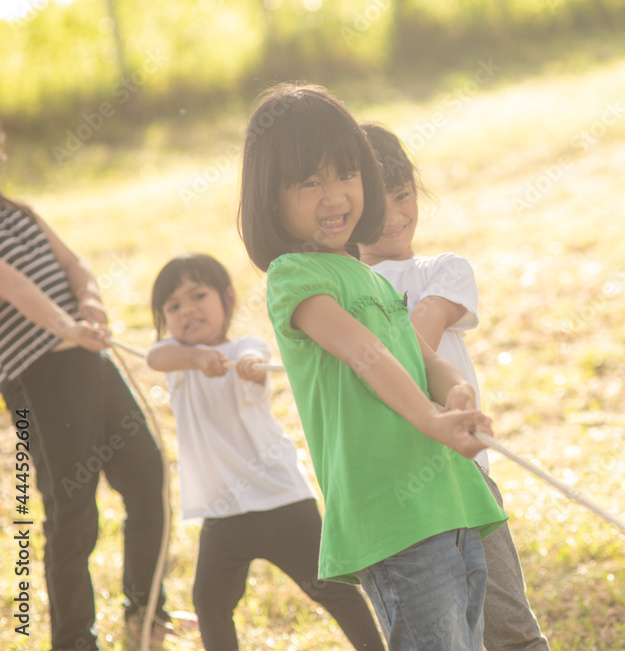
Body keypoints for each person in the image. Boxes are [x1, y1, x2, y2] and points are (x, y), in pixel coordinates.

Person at [237, 83, 508, 650]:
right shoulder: (296, 277)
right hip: (395, 520)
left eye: (345, 174)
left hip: (450, 502)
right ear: (270, 197)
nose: (334, 195)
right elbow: (366, 354)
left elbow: (421, 357)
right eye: (310, 181)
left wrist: (457, 393)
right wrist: (432, 423)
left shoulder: (367, 274)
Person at [358, 122, 550, 651]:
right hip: (401, 500)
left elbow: (423, 333)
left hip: (465, 479)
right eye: (379, 206)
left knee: (512, 630)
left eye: (403, 196)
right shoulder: (341, 290)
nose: (396, 216)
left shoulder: (443, 270)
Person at [146, 253, 385, 651]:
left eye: (198, 295)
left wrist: (251, 365)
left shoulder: (245, 348)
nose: (187, 309)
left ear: (227, 298)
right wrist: (199, 359)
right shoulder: (177, 361)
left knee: (332, 588)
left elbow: (259, 360)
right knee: (209, 601)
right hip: (223, 513)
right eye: (173, 306)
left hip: (281, 501)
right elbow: (155, 355)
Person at [0, 135, 172, 651]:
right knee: (73, 511)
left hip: (87, 361)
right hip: (39, 379)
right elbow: (15, 288)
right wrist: (66, 327)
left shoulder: (19, 212)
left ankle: (145, 610)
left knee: (146, 473)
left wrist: (90, 304)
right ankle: (75, 638)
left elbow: (74, 264)